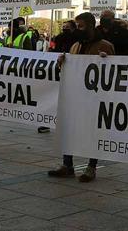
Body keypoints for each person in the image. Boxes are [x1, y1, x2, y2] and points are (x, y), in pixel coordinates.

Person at [48, 12, 114, 183]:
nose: (78, 29)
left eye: (81, 26)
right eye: (77, 26)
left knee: (92, 132)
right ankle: (67, 165)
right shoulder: (75, 46)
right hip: (75, 95)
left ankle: (91, 167)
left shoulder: (105, 46)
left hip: (94, 99)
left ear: (91, 26)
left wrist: (106, 61)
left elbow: (114, 73)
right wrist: (62, 62)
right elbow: (68, 71)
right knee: (69, 129)